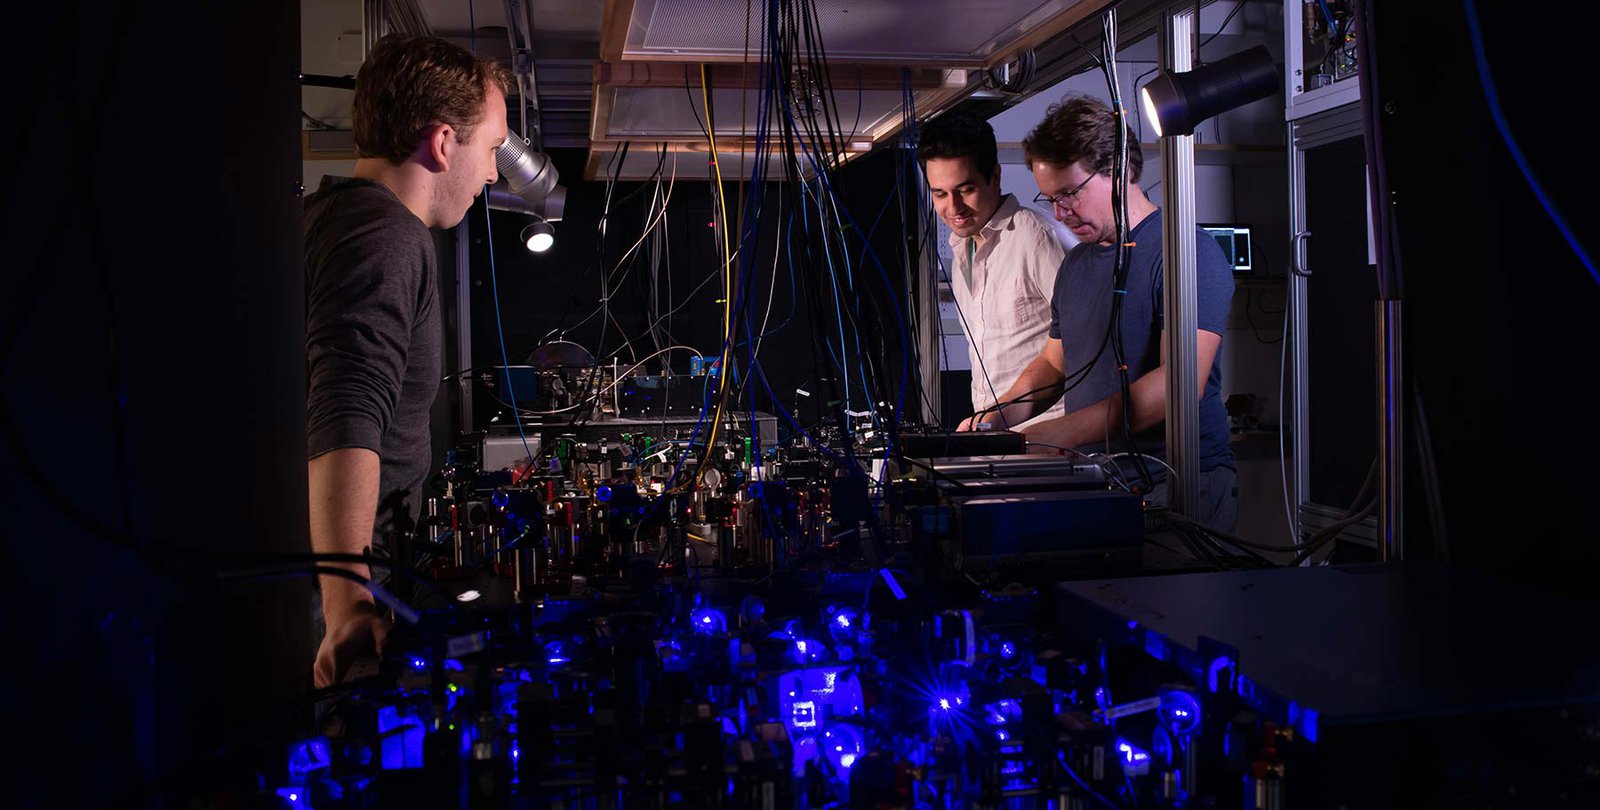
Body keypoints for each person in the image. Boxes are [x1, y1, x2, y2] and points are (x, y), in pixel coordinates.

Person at [304, 35, 510, 687]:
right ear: (444, 143)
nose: (494, 175)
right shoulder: (387, 236)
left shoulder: (326, 217)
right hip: (334, 622)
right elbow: (346, 407)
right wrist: (347, 609)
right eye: (493, 148)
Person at [962, 95, 1237, 530]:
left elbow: (1178, 383)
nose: (1059, 212)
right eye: (1050, 197)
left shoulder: (1186, 252)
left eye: (1069, 193)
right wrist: (998, 417)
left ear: (1121, 168)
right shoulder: (1076, 265)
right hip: (1102, 480)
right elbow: (1055, 363)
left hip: (1179, 483)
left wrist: (1055, 434)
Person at [917, 113, 1066, 428]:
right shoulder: (962, 249)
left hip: (1050, 439)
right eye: (939, 194)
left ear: (995, 177)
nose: (953, 208)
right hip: (994, 437)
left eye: (965, 189)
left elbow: (1085, 344)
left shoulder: (1035, 237)